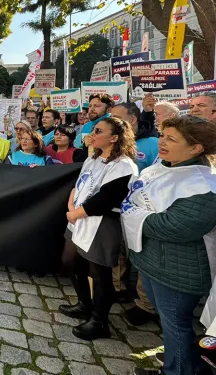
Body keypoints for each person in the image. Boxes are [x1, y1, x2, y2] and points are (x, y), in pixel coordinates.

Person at [121, 116, 216, 375]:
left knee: (176, 323)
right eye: (163, 135)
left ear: (196, 148)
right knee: (169, 320)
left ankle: (178, 370)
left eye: (172, 139)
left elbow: (176, 226)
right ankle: (183, 362)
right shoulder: (164, 167)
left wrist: (132, 213)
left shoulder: (204, 185)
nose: (161, 142)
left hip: (178, 270)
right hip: (154, 261)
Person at [59, 116, 138, 341]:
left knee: (100, 274)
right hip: (78, 217)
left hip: (100, 223)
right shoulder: (93, 158)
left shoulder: (123, 166)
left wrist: (75, 213)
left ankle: (99, 321)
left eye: (99, 131)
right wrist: (71, 204)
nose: (93, 134)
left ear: (114, 138)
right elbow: (80, 184)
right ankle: (84, 303)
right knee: (70, 261)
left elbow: (105, 199)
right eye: (94, 130)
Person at [111, 100, 159, 172]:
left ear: (133, 120)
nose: (111, 122)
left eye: (117, 118)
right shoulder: (108, 141)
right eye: (110, 118)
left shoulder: (154, 144)